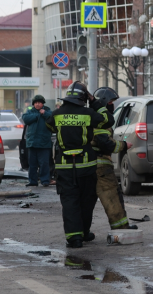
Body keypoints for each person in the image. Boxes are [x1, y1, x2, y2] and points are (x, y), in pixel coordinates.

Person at [46, 81, 113, 249]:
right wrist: (95, 101)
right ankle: (84, 232)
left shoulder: (57, 114)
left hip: (64, 168)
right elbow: (108, 120)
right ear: (84, 98)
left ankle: (74, 238)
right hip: (86, 166)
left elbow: (49, 126)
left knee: (69, 202)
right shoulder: (89, 113)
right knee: (86, 200)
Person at [91, 87, 136, 231]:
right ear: (104, 103)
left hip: (87, 166)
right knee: (112, 197)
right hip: (101, 167)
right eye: (110, 102)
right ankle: (121, 227)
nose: (113, 105)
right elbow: (104, 143)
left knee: (86, 202)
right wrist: (123, 145)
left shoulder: (90, 115)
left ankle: (82, 233)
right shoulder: (100, 119)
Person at [23, 95, 54, 187]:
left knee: (44, 163)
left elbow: (52, 118)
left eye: (39, 103)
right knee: (32, 164)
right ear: (33, 104)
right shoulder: (30, 112)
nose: (37, 104)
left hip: (44, 143)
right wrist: (38, 115)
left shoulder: (48, 111)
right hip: (32, 143)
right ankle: (33, 181)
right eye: (36, 103)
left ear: (42, 104)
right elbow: (26, 119)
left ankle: (45, 180)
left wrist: (44, 114)